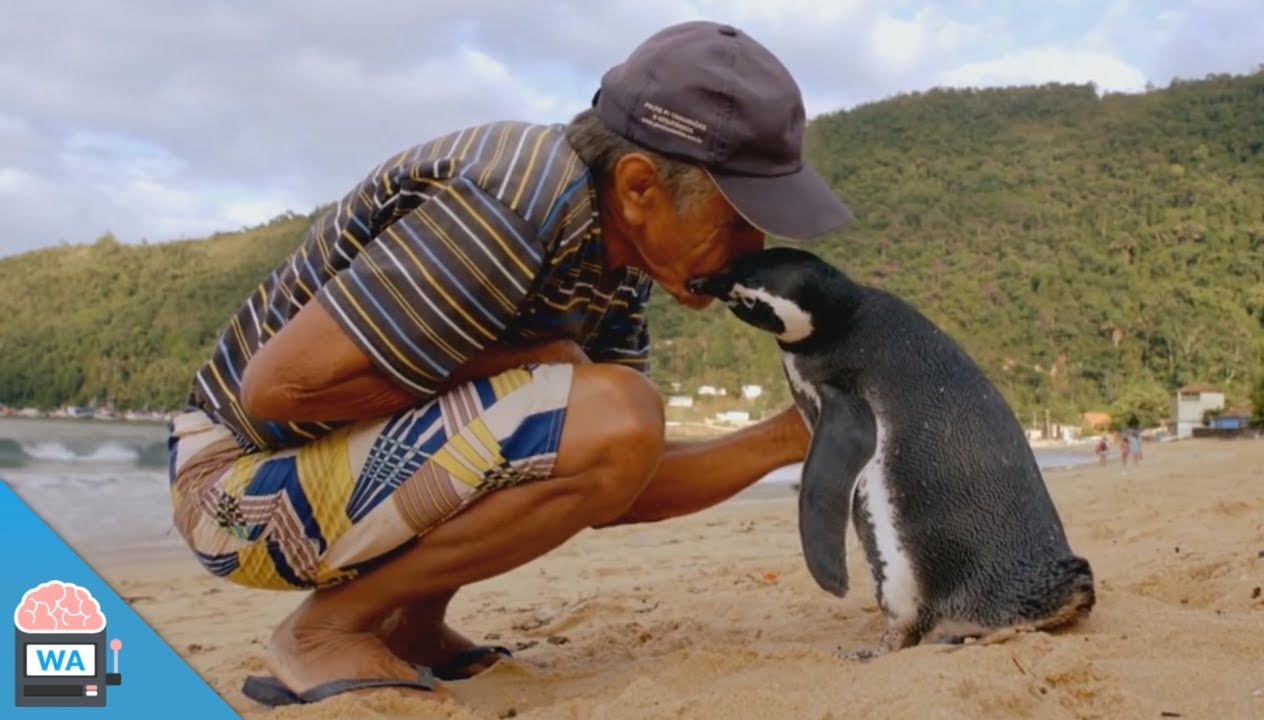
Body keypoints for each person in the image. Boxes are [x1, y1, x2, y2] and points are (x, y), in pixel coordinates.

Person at [167, 20, 853, 707]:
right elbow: (276, 389)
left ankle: (412, 623)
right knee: (610, 405)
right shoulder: (512, 198)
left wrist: (788, 436)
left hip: (311, 483)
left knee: (613, 414)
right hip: (231, 494)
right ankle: (326, 630)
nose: (752, 244)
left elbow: (613, 475)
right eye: (734, 216)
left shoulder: (615, 263)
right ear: (640, 186)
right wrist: (533, 359)